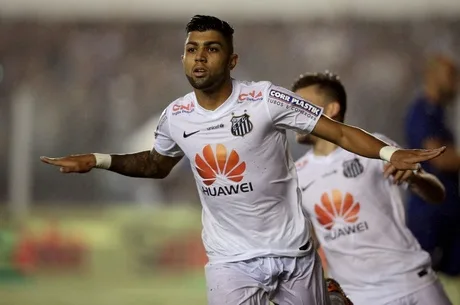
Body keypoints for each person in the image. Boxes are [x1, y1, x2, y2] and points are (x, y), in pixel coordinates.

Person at [40, 15, 445, 305]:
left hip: (292, 250)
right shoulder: (176, 116)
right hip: (230, 258)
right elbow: (156, 164)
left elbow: (336, 130)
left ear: (231, 61)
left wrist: (391, 152)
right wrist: (98, 159)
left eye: (212, 49)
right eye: (192, 49)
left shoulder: (265, 98)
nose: (200, 57)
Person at [293, 71, 452, 305]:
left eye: (302, 105)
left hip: (412, 283)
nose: (293, 113)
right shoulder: (296, 174)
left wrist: (416, 178)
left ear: (331, 109)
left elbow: (437, 194)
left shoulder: (376, 148)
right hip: (358, 297)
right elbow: (313, 237)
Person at [404, 55, 460, 286]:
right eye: (451, 76)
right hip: (430, 212)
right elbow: (439, 158)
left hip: (448, 207)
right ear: (432, 76)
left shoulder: (439, 113)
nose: (455, 83)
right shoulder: (421, 111)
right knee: (424, 279)